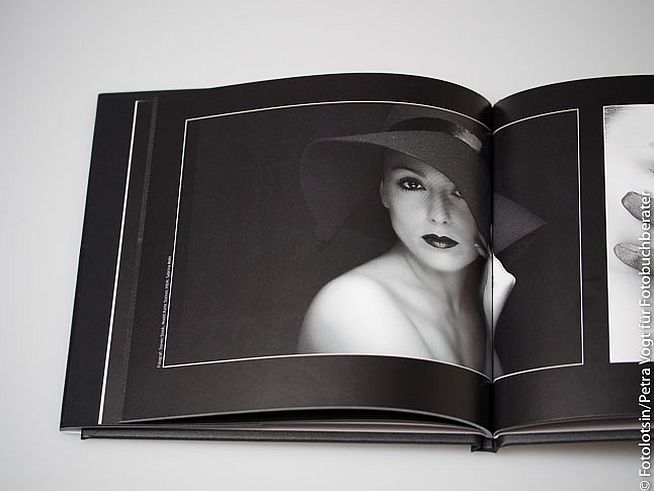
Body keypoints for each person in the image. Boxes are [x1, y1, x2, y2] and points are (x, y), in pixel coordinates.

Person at [297, 107, 519, 375]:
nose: (439, 215)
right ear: (384, 192)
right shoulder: (352, 304)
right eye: (412, 184)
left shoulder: (477, 304)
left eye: (463, 190)